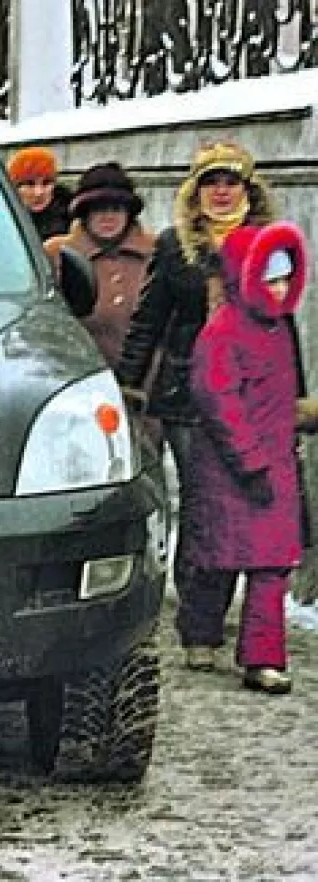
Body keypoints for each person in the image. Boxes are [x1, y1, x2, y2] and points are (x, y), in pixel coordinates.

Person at [116, 140, 278, 672]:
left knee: (253, 501)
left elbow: (283, 325)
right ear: (196, 191)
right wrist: (128, 386)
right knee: (205, 501)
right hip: (190, 395)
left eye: (232, 182)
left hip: (255, 395)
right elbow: (148, 321)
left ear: (248, 190)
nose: (222, 192)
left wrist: (293, 398)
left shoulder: (268, 246)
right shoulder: (176, 247)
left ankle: (242, 620)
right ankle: (198, 620)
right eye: (212, 182)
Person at [187, 221, 308, 694]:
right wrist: (250, 459)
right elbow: (219, 402)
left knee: (273, 563)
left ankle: (263, 659)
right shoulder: (221, 333)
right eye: (269, 280)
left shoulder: (278, 330)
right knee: (217, 558)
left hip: (272, 464)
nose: (278, 290)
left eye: (284, 280)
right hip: (231, 467)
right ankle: (201, 633)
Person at [44, 162, 156, 370]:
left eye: (116, 208)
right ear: (84, 213)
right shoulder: (56, 254)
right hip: (79, 379)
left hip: (148, 386)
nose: (108, 217)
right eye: (98, 209)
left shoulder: (157, 252)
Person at [7, 146, 72, 241]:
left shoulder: (73, 218)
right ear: (14, 188)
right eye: (29, 184)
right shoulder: (3, 219)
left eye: (46, 183)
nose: (39, 192)